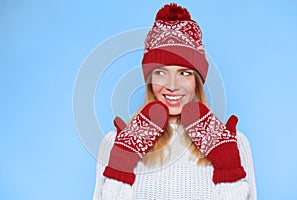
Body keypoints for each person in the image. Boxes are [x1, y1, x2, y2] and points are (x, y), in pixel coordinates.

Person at [93, 3, 256, 200]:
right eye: (161, 72)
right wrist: (121, 166)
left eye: (184, 73)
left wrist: (229, 170)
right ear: (150, 79)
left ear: (196, 80)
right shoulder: (115, 143)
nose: (172, 85)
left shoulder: (234, 144)